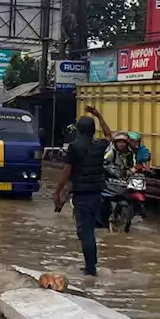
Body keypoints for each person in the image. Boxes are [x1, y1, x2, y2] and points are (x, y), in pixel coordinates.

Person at [54, 114, 108, 277]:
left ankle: (91, 269)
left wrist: (57, 191)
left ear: (78, 130)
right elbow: (109, 135)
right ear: (93, 130)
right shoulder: (99, 145)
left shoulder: (74, 147)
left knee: (85, 233)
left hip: (82, 195)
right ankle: (91, 264)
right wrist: (99, 115)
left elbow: (66, 172)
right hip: (97, 195)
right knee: (88, 230)